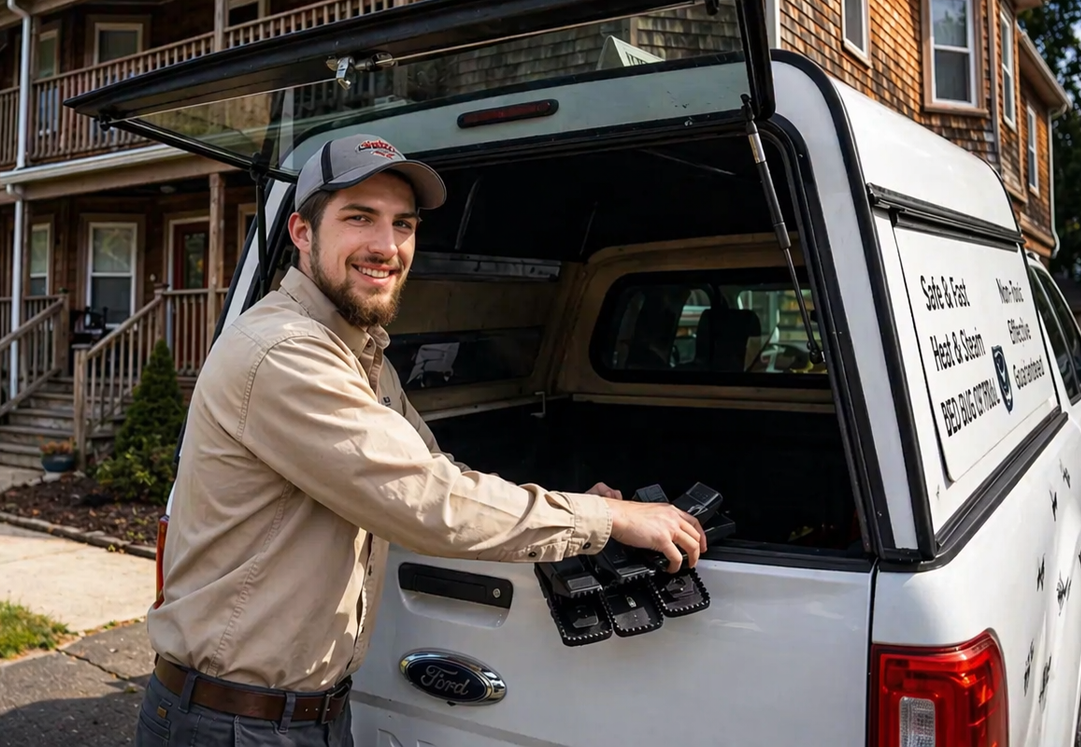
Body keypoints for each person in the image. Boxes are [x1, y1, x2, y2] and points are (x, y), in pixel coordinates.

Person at [136, 133, 706, 747]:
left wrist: (580, 508)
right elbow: (426, 501)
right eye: (360, 219)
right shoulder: (284, 352)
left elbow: (430, 467)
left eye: (403, 225)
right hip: (232, 725)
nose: (386, 246)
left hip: (305, 715)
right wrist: (603, 518)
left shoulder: (359, 351)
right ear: (301, 232)